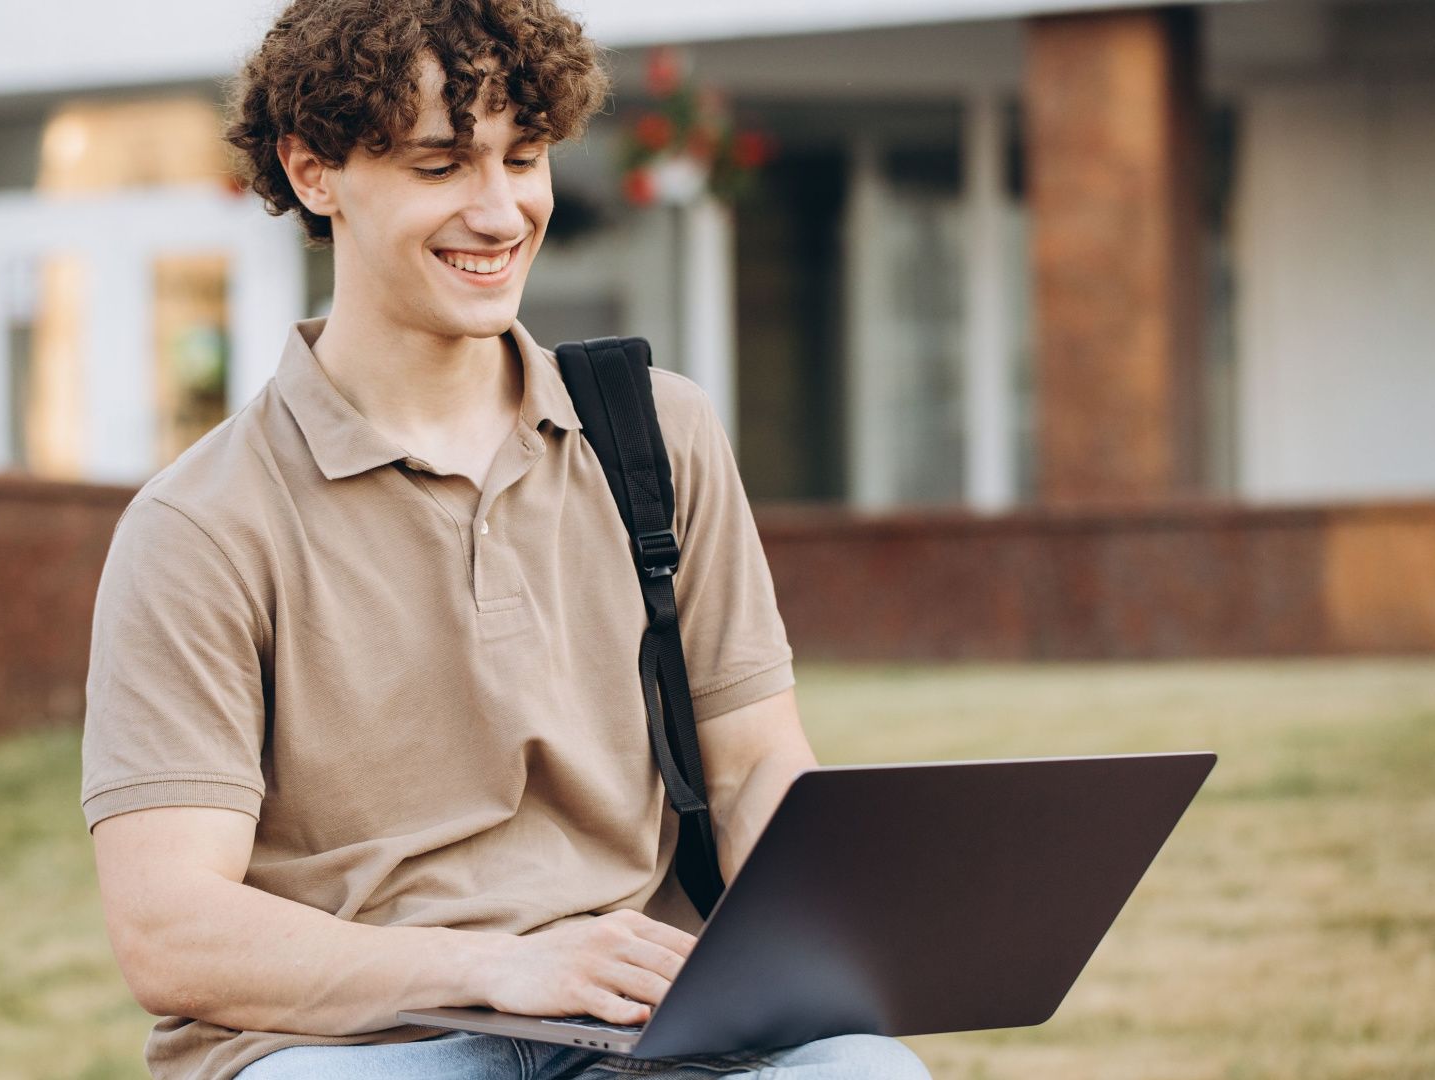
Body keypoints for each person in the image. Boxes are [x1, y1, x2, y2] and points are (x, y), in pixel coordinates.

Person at [79, 1, 930, 1077]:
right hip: (359, 1046)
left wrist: (825, 951)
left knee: (868, 1071)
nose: (500, 213)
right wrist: (497, 966)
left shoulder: (658, 434)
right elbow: (169, 930)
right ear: (312, 171)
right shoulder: (200, 526)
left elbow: (756, 765)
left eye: (523, 159)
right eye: (441, 167)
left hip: (638, 1020)